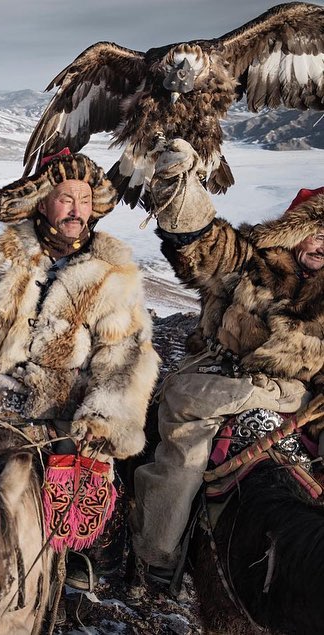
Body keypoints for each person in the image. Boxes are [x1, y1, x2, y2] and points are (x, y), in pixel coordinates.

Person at [0, 150, 159, 588]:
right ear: (42, 202)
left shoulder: (115, 272)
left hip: (69, 401)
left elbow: (125, 355)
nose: (76, 209)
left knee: (93, 489)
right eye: (65, 197)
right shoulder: (4, 253)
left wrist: (105, 417)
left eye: (84, 198)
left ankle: (88, 563)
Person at [131, 139, 320, 583]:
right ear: (295, 231)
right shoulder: (254, 262)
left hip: (301, 398)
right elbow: (207, 246)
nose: (323, 242)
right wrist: (180, 187)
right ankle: (158, 546)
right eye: (318, 229)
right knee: (183, 440)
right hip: (223, 379)